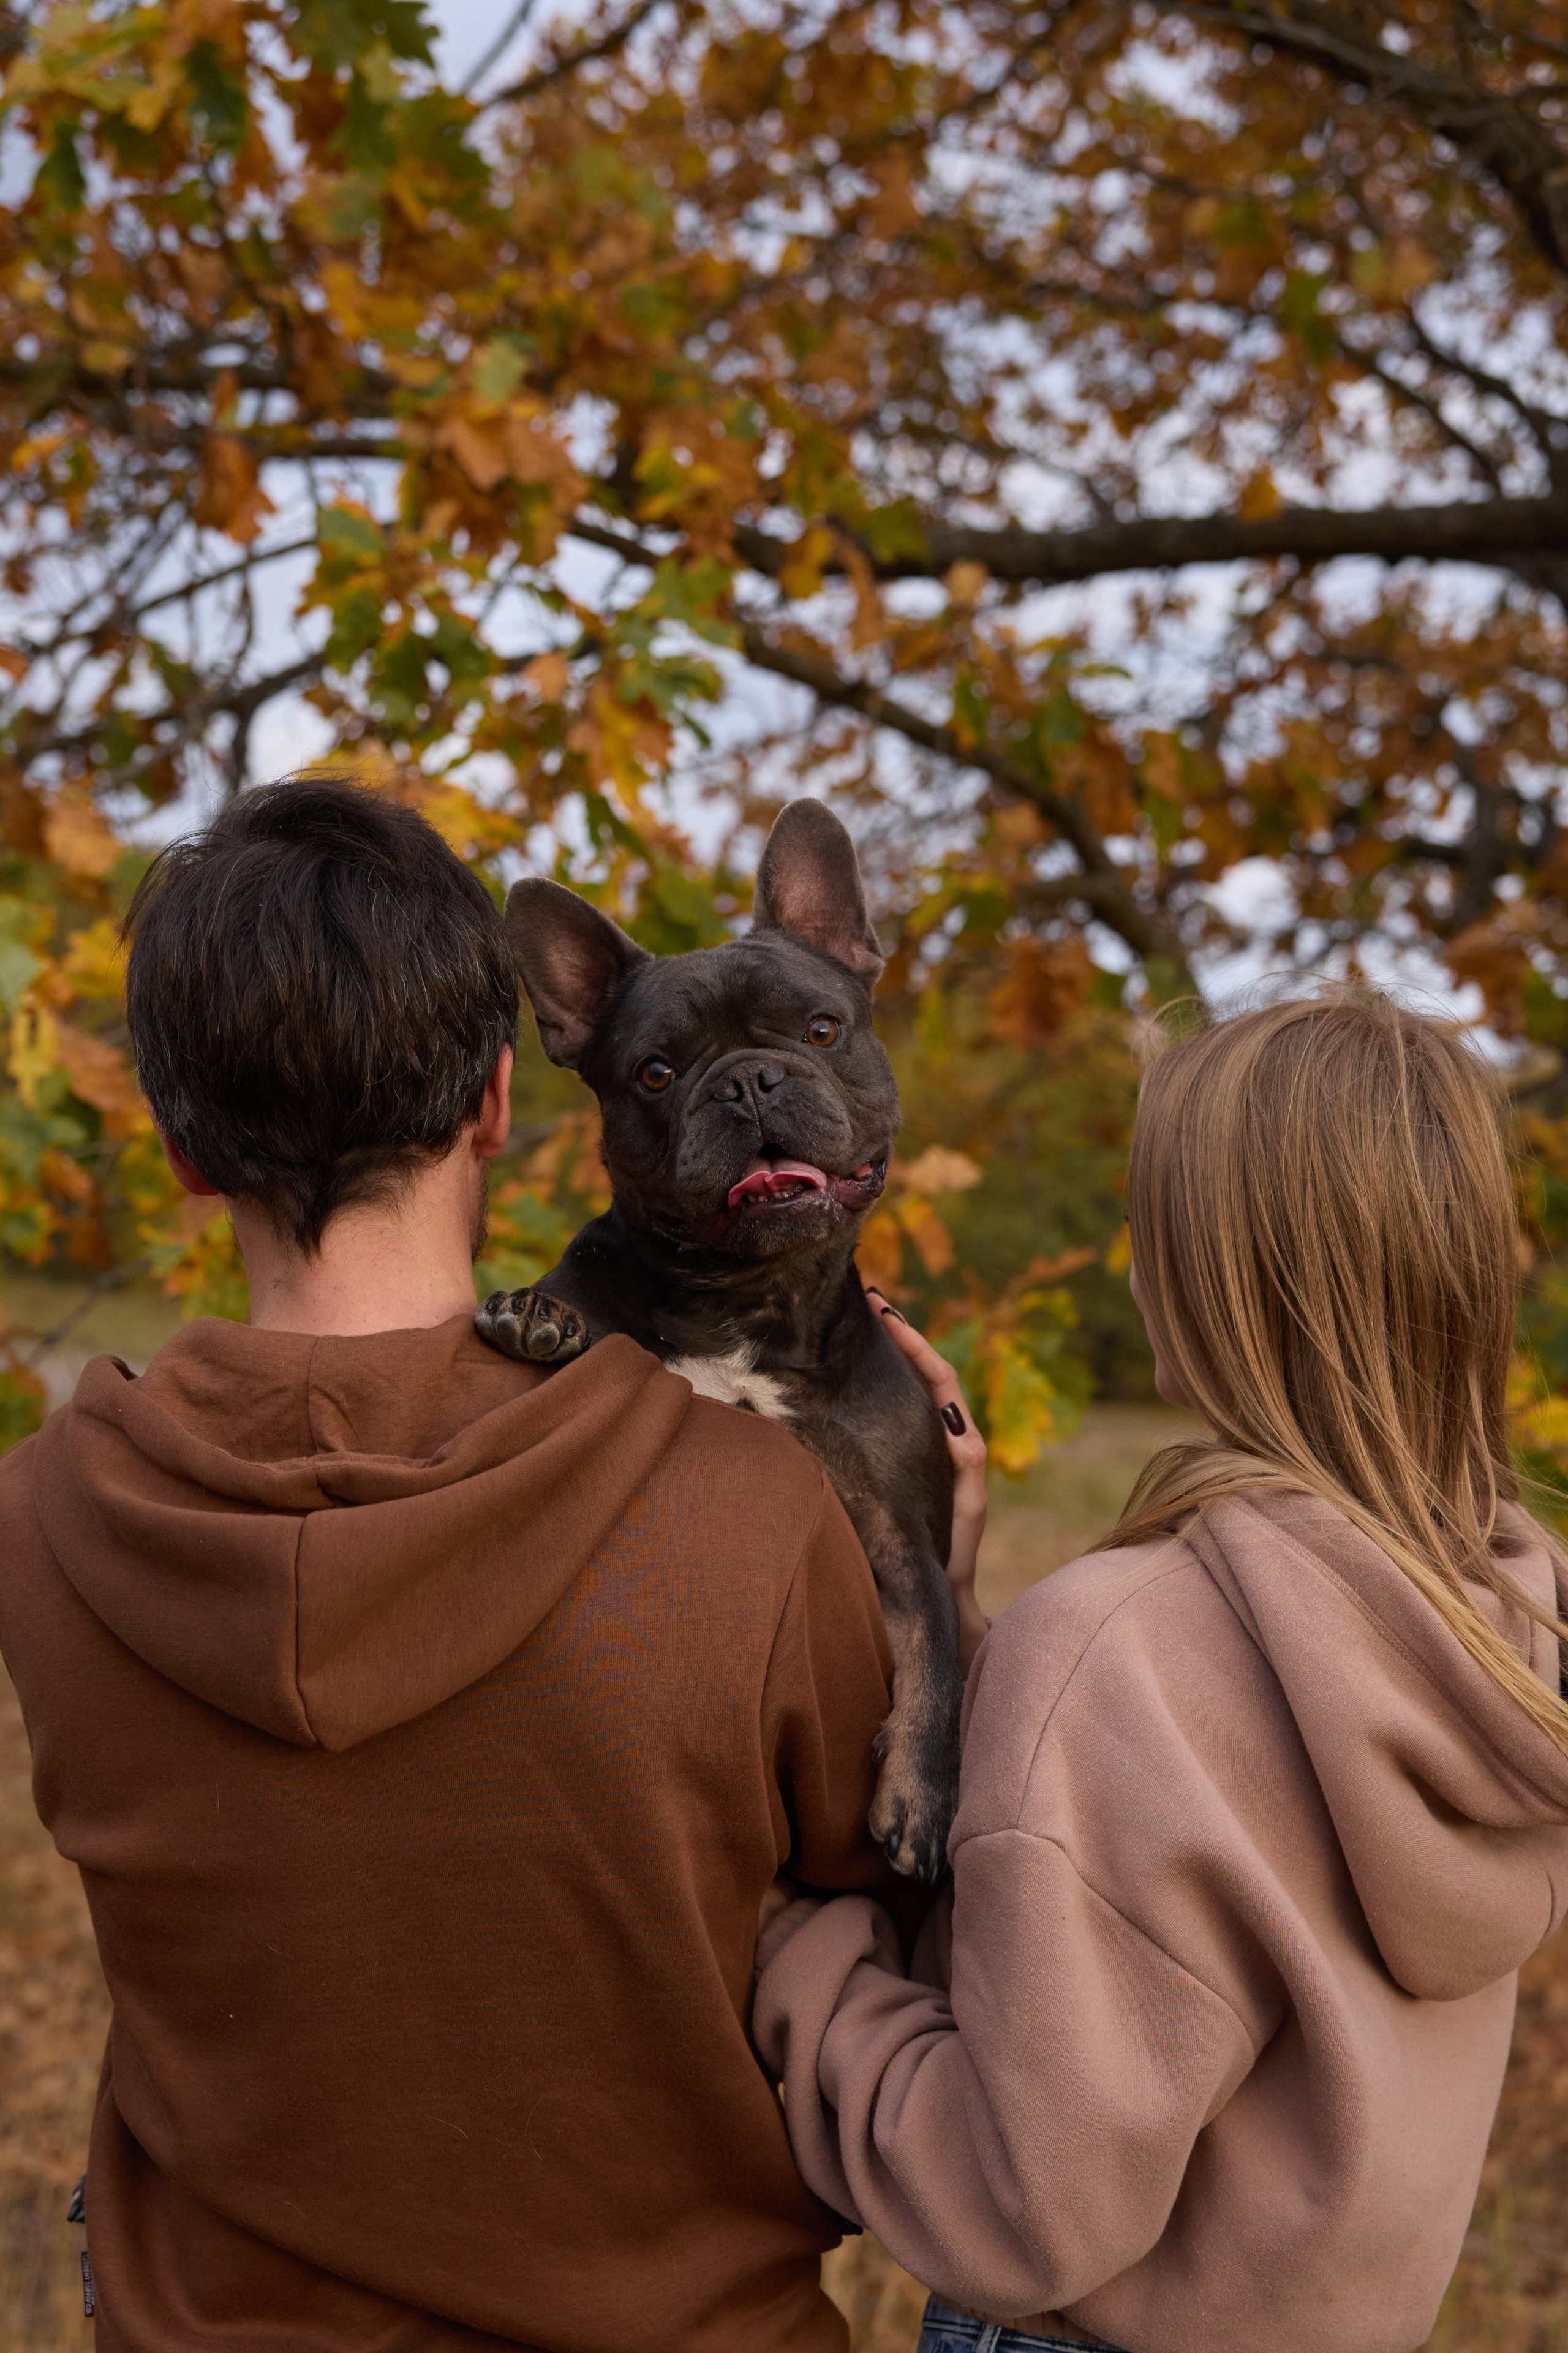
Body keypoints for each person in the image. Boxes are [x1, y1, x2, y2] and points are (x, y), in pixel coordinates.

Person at [0, 777, 903, 2353]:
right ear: (498, 1098)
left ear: (184, 1155)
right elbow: (888, 1893)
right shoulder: (751, 1513)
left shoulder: (38, 1528)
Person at [757, 991, 1568, 2353]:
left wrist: (796, 1951)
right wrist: (957, 1627)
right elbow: (1209, 1838)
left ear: (1218, 1276)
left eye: (1153, 1228)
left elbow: (1018, 2208)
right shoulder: (1498, 1622)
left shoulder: (1121, 1646)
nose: (1133, 1269)